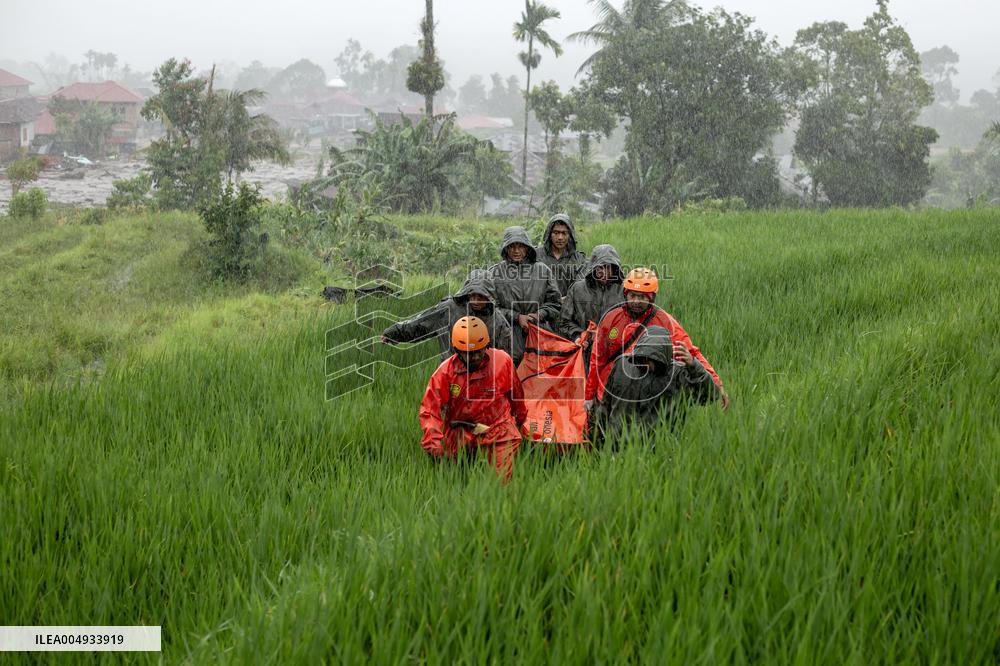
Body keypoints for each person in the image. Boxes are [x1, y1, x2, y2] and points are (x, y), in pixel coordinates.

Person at [584, 267, 728, 411]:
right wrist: (589, 396)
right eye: (632, 295)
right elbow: (597, 359)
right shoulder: (611, 319)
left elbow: (691, 352)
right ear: (625, 294)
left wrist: (717, 383)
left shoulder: (665, 322)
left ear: (651, 297)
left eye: (642, 297)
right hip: (609, 390)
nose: (636, 301)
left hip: (645, 394)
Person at [418, 317, 527, 480]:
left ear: (486, 346)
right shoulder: (445, 372)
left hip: (498, 428)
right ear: (457, 350)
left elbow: (516, 395)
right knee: (458, 478)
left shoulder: (502, 362)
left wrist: (521, 419)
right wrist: (433, 441)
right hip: (461, 431)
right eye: (468, 353)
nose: (475, 357)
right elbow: (429, 410)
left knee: (500, 481)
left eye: (478, 351)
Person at [592, 326, 720, 444]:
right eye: (642, 358)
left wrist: (693, 365)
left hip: (658, 452)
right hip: (618, 447)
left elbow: (710, 396)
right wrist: (604, 437)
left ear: (664, 355)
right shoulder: (621, 365)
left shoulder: (678, 374)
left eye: (652, 360)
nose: (646, 364)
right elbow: (605, 404)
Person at [381, 269, 514, 362]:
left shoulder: (498, 320)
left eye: (481, 296)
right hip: (451, 374)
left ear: (489, 296)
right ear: (466, 293)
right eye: (472, 295)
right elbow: (420, 324)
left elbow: (505, 357)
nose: (475, 300)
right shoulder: (449, 308)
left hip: (482, 381)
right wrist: (393, 333)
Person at [488, 226, 562, 366]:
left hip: (538, 337)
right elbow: (490, 307)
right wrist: (517, 317)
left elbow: (555, 303)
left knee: (538, 382)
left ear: (527, 248)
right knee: (508, 379)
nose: (516, 251)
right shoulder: (495, 273)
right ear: (506, 249)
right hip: (506, 339)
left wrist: (538, 315)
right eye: (512, 246)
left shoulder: (542, 271)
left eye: (520, 246)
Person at [559, 244, 624, 370]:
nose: (604, 272)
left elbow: (630, 323)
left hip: (613, 355)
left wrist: (608, 336)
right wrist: (579, 335)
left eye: (609, 267)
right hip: (583, 353)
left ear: (615, 268)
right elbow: (564, 322)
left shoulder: (624, 291)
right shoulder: (577, 289)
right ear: (593, 267)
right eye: (600, 267)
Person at [535, 212, 587, 297]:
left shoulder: (579, 259)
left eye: (564, 233)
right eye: (556, 233)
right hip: (542, 306)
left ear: (570, 235)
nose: (560, 237)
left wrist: (567, 299)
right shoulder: (536, 255)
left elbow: (580, 287)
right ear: (549, 234)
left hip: (569, 305)